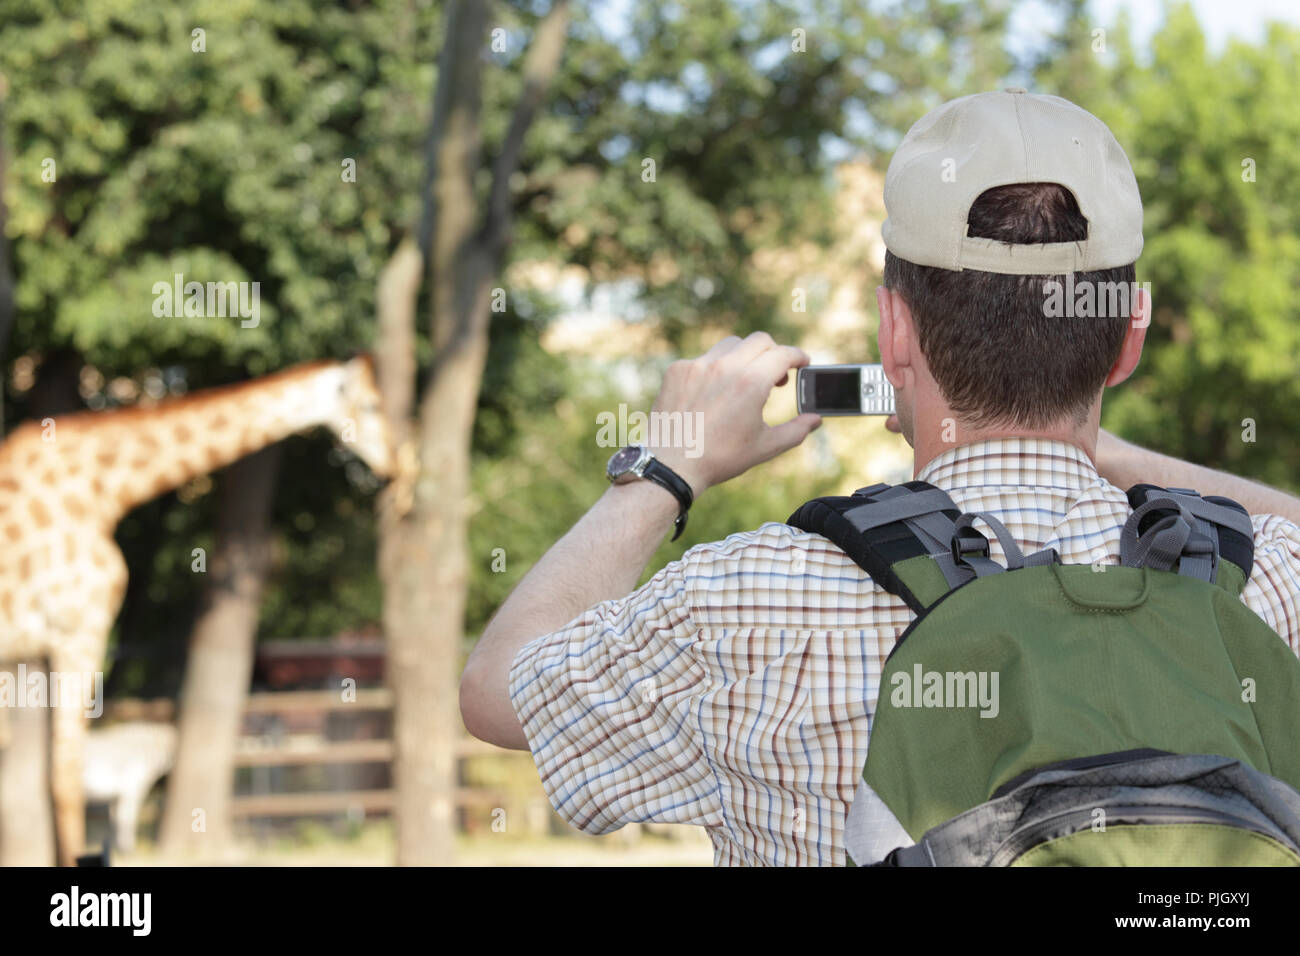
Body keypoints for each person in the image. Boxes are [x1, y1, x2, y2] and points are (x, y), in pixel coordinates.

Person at [458, 89, 1300, 866]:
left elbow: (500, 691)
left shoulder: (747, 603)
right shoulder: (1265, 586)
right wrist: (1088, 443)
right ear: (1130, 337)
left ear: (894, 330)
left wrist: (665, 465)